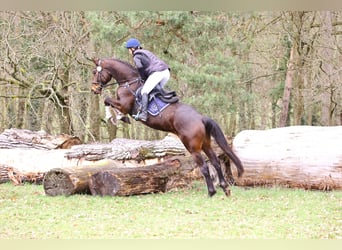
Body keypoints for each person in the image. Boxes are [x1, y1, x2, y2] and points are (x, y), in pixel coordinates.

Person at [125, 38, 170, 122]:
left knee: (144, 91)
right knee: (155, 90)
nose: (129, 52)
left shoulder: (136, 56)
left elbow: (140, 67)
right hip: (166, 72)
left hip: (157, 73)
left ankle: (144, 114)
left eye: (129, 49)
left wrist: (143, 78)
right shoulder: (146, 52)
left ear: (133, 48)